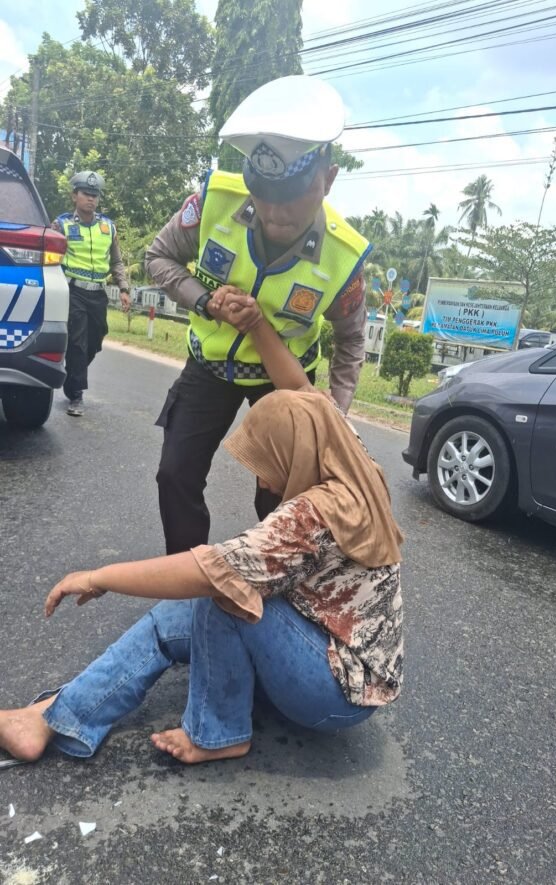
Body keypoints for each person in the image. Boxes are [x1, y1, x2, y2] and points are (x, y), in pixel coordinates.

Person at [0, 389, 404, 765]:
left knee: (223, 595)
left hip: (337, 693)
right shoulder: (354, 462)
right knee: (179, 613)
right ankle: (58, 715)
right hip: (328, 653)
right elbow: (309, 399)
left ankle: (219, 734)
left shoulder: (316, 514)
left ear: (297, 451)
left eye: (266, 464)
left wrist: (98, 577)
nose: (262, 481)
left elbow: (211, 571)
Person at [144, 75, 371, 554]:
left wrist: (335, 412)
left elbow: (350, 340)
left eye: (292, 196)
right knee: (175, 475)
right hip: (209, 365)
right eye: (264, 195)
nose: (274, 212)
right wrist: (203, 301)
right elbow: (158, 258)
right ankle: (190, 579)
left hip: (284, 382)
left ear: (327, 180)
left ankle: (274, 586)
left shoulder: (344, 257)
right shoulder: (213, 201)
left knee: (280, 496)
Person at [53, 171, 131, 417]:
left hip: (98, 294)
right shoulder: (62, 225)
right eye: (86, 194)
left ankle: (72, 375)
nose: (91, 199)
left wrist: (124, 288)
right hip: (73, 291)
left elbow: (116, 262)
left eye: (95, 195)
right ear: (74, 195)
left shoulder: (108, 227)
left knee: (95, 342)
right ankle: (76, 395)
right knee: (77, 343)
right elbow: (51, 257)